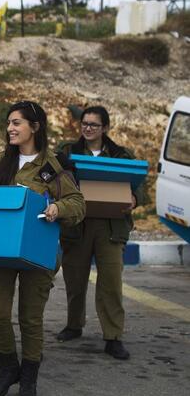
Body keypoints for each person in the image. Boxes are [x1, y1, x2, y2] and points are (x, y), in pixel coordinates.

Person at [0, 101, 85, 396]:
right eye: (8, 123)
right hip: (0, 251)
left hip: (37, 254)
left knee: (30, 317)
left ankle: (29, 377)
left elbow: (78, 204)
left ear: (35, 127)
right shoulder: (1, 162)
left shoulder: (53, 166)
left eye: (17, 123)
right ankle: (9, 364)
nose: (10, 128)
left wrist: (58, 207)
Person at [54, 106, 145, 360]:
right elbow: (50, 175)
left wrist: (134, 199)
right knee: (74, 278)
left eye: (94, 125)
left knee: (111, 283)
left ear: (105, 128)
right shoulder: (67, 152)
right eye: (84, 123)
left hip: (111, 227)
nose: (88, 128)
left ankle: (113, 336)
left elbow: (141, 188)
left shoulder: (121, 154)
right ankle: (74, 325)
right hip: (77, 225)